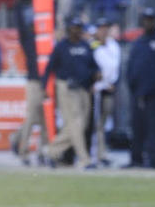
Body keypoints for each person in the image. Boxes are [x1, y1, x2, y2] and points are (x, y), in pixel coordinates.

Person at [42, 19, 99, 169]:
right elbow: (49, 68)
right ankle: (84, 159)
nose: (78, 31)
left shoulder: (86, 46)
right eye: (75, 28)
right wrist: (44, 87)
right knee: (76, 124)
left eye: (79, 28)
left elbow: (93, 67)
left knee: (80, 125)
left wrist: (96, 75)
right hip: (67, 87)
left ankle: (50, 151)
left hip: (84, 88)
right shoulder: (61, 46)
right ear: (69, 29)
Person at [125, 9, 155, 169]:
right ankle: (135, 159)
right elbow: (131, 66)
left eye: (151, 19)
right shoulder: (138, 42)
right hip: (138, 92)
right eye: (146, 19)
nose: (148, 22)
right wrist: (132, 85)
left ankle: (154, 161)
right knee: (137, 127)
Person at [15, 11, 48, 165]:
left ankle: (42, 152)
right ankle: (24, 151)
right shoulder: (30, 41)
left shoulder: (48, 42)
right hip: (34, 82)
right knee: (31, 117)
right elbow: (21, 29)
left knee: (45, 119)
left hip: (47, 82)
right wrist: (18, 5)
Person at [91, 19, 120, 166]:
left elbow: (113, 67)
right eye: (100, 29)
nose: (102, 32)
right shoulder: (92, 45)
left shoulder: (113, 46)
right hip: (93, 89)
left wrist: (106, 83)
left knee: (102, 122)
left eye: (105, 29)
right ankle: (94, 153)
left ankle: (101, 153)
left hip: (107, 88)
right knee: (93, 123)